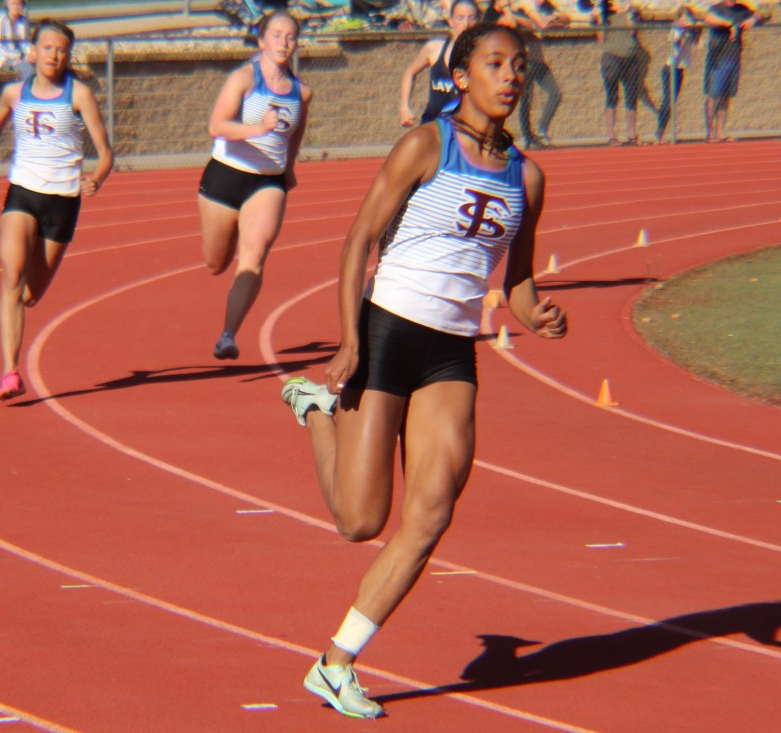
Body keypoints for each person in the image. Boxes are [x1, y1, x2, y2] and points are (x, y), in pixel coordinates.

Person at [280, 22, 568, 719]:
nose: (510, 77)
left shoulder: (527, 176)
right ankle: (317, 408)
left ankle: (336, 661)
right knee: (360, 520)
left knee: (432, 512)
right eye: (495, 64)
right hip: (387, 333)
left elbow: (519, 281)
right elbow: (356, 243)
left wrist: (538, 314)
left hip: (451, 351)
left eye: (519, 66)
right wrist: (349, 340)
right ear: (460, 75)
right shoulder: (423, 145)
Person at [0, 20, 114, 401]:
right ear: (33, 52)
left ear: (68, 56)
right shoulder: (14, 93)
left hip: (62, 202)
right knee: (11, 275)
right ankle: (9, 372)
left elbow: (106, 150)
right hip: (22, 193)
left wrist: (96, 177)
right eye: (47, 47)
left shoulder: (78, 95)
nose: (53, 54)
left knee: (30, 295)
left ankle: (13, 348)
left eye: (61, 49)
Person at [197, 11, 311, 360]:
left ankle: (227, 335)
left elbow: (297, 133)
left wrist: (288, 168)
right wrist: (257, 130)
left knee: (255, 252)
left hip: (268, 182)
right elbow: (217, 126)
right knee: (216, 263)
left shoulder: (301, 92)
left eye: (290, 36)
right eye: (276, 35)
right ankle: (228, 243)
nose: (283, 42)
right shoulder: (243, 78)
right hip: (226, 174)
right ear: (262, 41)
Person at [485, 0, 570, 149]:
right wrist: (511, 11)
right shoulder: (499, 13)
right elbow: (517, 24)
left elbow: (565, 20)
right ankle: (528, 138)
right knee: (526, 101)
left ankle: (541, 130)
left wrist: (553, 20)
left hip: (539, 60)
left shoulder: (535, 8)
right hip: (524, 62)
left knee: (556, 94)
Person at [398, 0, 480, 127]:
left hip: (467, 128)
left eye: (471, 18)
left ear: (478, 22)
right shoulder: (435, 48)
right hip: (433, 124)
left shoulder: (484, 55)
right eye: (460, 18)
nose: (466, 24)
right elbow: (410, 72)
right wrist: (404, 107)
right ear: (451, 21)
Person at [703, 0, 761, 142]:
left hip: (733, 57)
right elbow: (708, 18)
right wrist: (728, 24)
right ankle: (710, 133)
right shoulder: (717, 8)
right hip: (717, 59)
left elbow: (761, 14)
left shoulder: (742, 9)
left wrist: (752, 20)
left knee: (726, 96)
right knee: (713, 95)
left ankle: (720, 132)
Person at [594, 0, 650, 145]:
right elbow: (601, 40)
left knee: (631, 95)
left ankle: (631, 134)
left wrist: (629, 14)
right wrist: (601, 20)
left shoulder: (632, 13)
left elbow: (632, 31)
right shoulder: (606, 15)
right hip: (612, 58)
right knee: (612, 95)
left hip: (630, 58)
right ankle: (611, 135)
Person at [655, 3, 700, 143]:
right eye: (684, 18)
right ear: (678, 19)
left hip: (681, 69)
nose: (687, 21)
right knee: (668, 101)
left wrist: (696, 30)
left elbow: (697, 46)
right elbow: (676, 43)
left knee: (672, 101)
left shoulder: (691, 31)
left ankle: (664, 132)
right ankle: (659, 133)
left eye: (689, 18)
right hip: (670, 68)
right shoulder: (676, 29)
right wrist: (684, 30)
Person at [0, 0, 31, 77]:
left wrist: (31, 51)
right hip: (2, 59)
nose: (16, 6)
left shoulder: (22, 21)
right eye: (13, 4)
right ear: (7, 5)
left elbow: (24, 44)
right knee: (25, 67)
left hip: (18, 57)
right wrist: (18, 56)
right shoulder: (1, 20)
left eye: (18, 4)